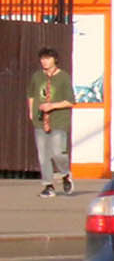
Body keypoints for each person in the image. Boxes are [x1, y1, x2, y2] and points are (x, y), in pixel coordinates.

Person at [27, 47, 74, 198]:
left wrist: (52, 106)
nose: (44, 62)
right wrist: (31, 111)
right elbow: (31, 94)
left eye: (47, 58)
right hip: (40, 121)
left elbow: (70, 101)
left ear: (55, 60)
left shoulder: (63, 77)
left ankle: (65, 174)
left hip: (58, 120)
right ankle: (48, 185)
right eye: (42, 59)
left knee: (58, 152)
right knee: (43, 155)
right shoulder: (37, 76)